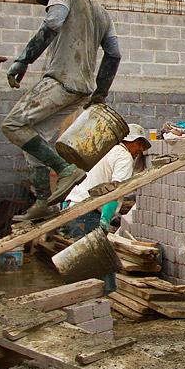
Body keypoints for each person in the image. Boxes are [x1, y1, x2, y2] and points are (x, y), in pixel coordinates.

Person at [1, 0, 122, 222]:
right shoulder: (100, 11)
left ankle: (65, 170)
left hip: (60, 80)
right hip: (82, 90)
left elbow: (54, 21)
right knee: (33, 140)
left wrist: (23, 60)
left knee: (12, 125)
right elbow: (114, 54)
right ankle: (44, 203)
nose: (47, 3)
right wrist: (100, 92)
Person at [62, 123, 149, 291]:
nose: (141, 149)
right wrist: (105, 219)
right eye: (139, 143)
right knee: (89, 265)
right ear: (128, 140)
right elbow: (115, 191)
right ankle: (81, 302)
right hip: (87, 212)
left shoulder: (108, 150)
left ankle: (94, 303)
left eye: (143, 145)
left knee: (89, 261)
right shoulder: (124, 157)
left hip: (74, 206)